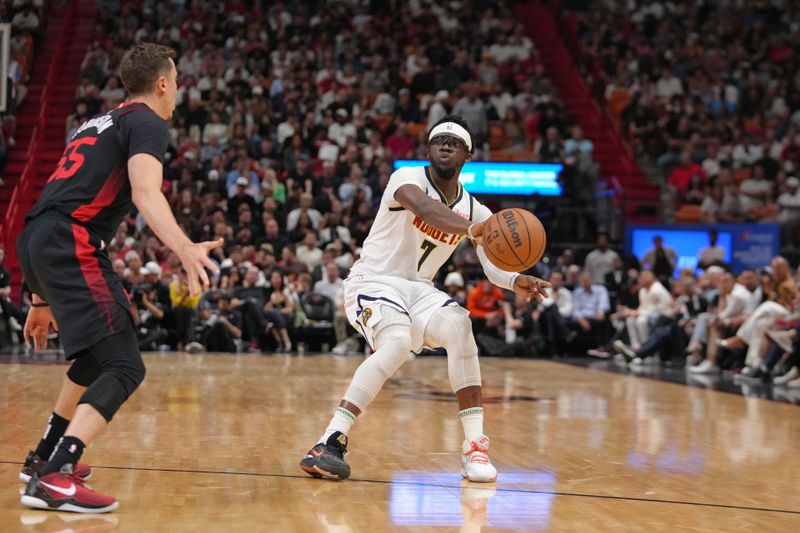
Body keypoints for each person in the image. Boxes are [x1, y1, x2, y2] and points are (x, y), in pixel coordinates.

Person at [15, 43, 222, 513]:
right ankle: (57, 476)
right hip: (72, 239)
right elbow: (146, 192)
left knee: (95, 354)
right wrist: (185, 247)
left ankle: (44, 454)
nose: (178, 91)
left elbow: (59, 196)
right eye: (177, 81)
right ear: (164, 83)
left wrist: (38, 299)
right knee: (126, 366)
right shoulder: (148, 121)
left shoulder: (94, 122)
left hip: (38, 237)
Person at [299, 115, 550, 482]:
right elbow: (428, 210)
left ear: (468, 154)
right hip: (374, 280)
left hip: (419, 289)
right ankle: (329, 442)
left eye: (454, 142)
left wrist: (515, 280)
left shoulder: (477, 211)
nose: (445, 145)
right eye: (438, 140)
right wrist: (472, 229)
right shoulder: (408, 179)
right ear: (428, 149)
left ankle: (475, 449)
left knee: (460, 327)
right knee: (397, 341)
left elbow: (491, 264)